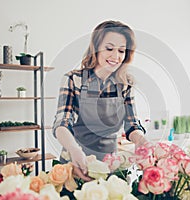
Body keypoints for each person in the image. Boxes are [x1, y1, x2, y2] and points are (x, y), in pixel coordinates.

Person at [52, 20, 147, 181]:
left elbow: (132, 124)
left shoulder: (125, 84)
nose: (116, 56)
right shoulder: (74, 79)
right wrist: (74, 150)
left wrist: (141, 140)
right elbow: (62, 122)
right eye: (109, 48)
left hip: (110, 166)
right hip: (75, 163)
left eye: (121, 51)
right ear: (95, 48)